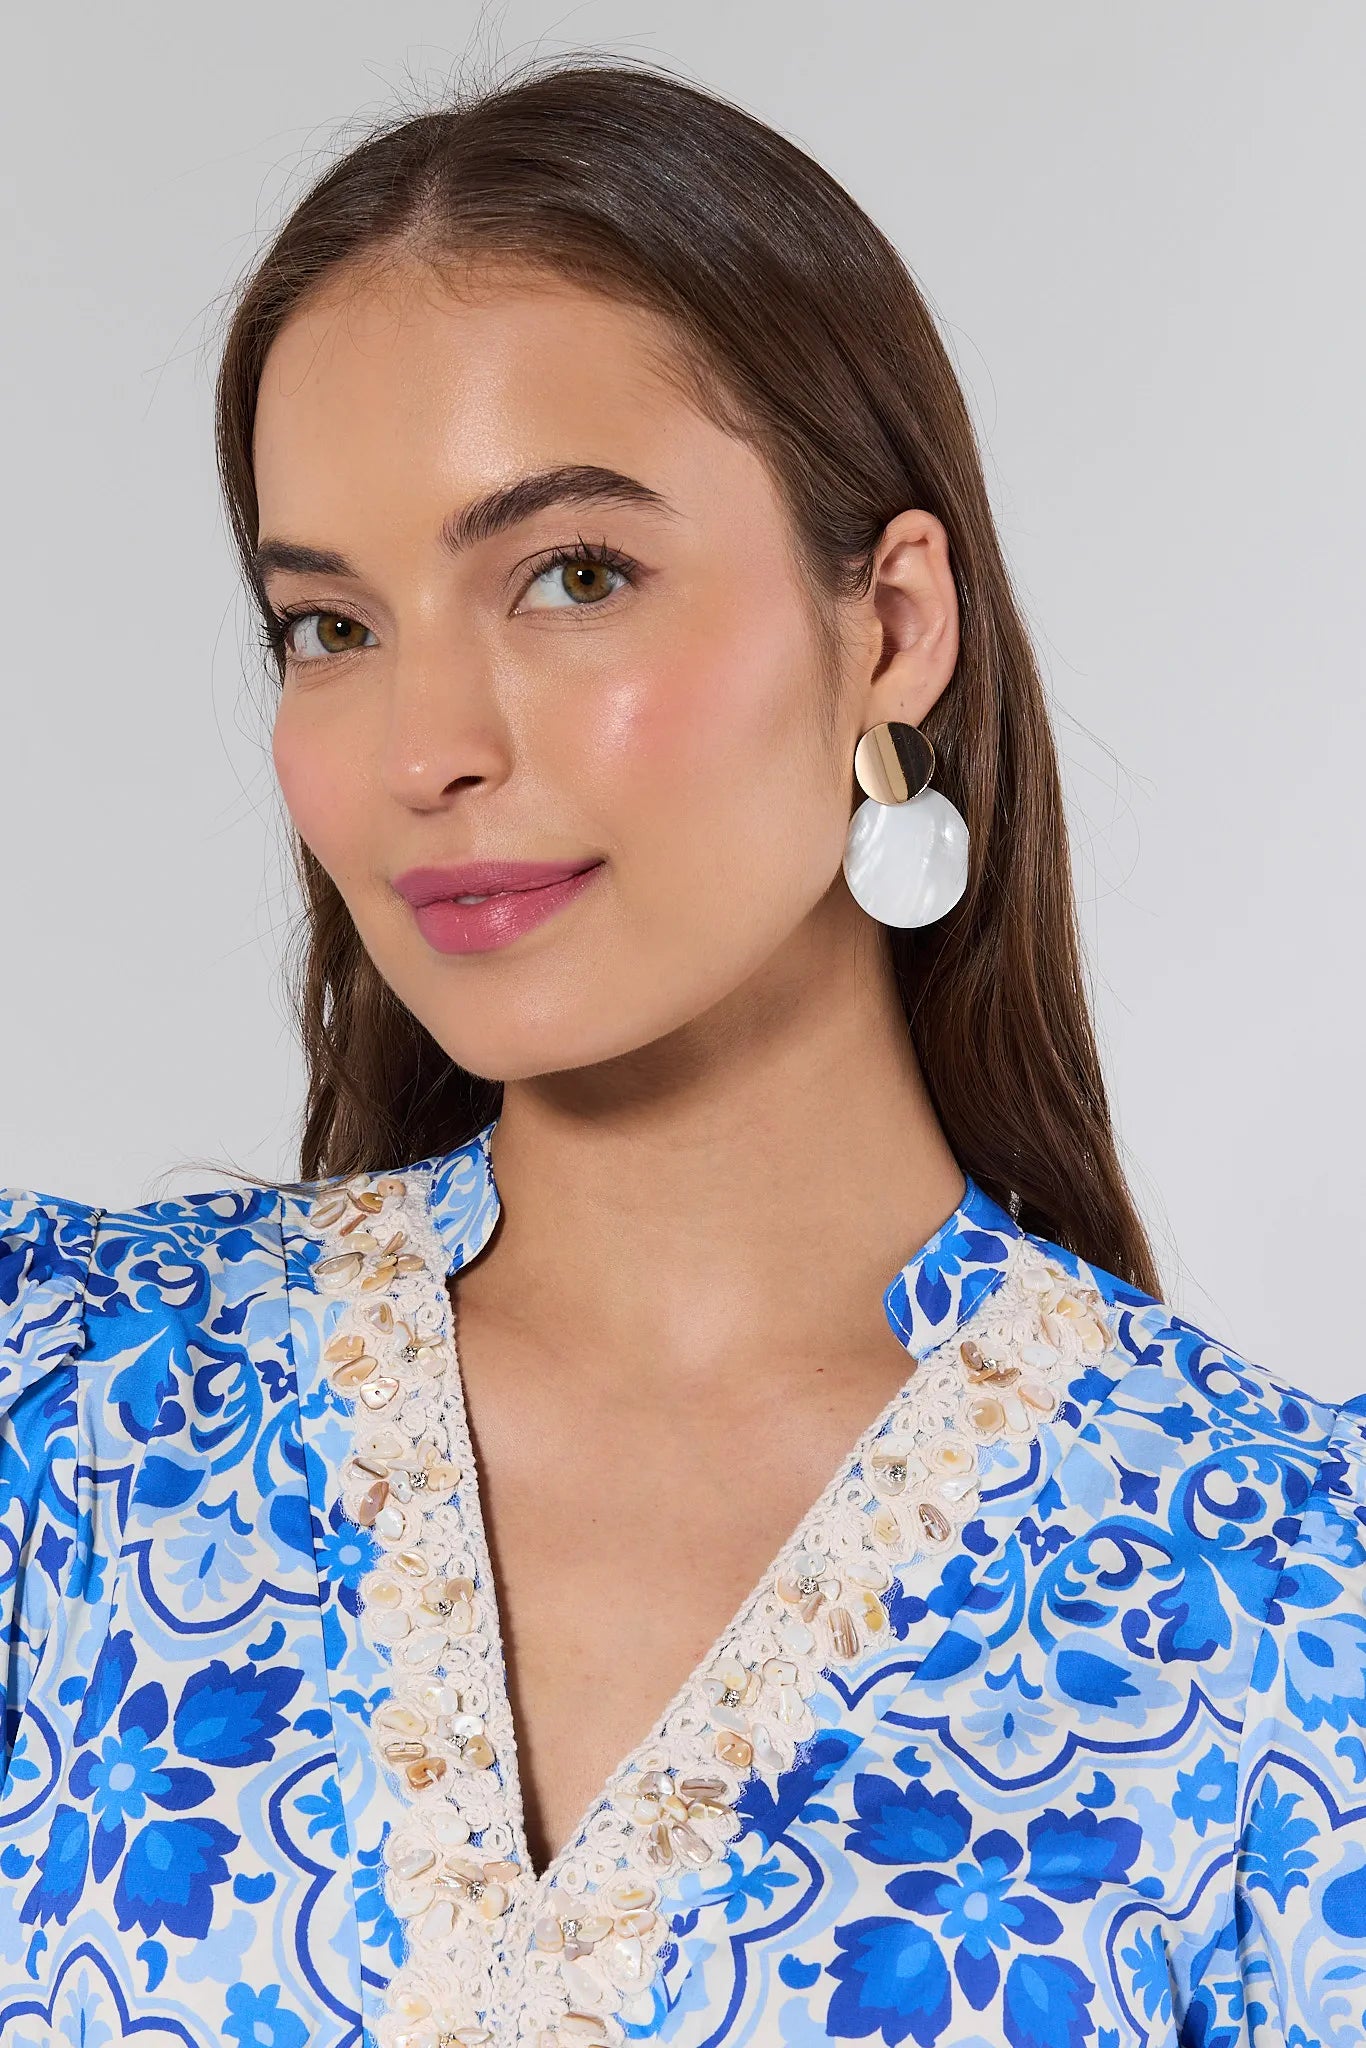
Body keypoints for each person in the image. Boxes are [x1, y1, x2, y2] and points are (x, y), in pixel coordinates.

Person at [2, 54, 1361, 2048]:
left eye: (572, 577)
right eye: (331, 626)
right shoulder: (62, 1412)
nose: (424, 749)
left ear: (890, 627)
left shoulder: (1288, 1603)